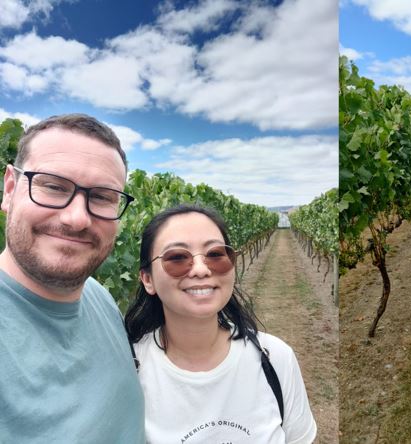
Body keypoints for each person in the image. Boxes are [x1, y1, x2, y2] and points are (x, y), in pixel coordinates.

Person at [0, 113, 144, 442]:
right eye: (53, 186)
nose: (77, 218)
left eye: (102, 196)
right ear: (9, 189)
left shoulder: (98, 295)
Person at [124, 205, 316, 443]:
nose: (201, 269)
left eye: (215, 254)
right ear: (147, 279)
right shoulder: (128, 372)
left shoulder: (276, 359)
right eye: (177, 258)